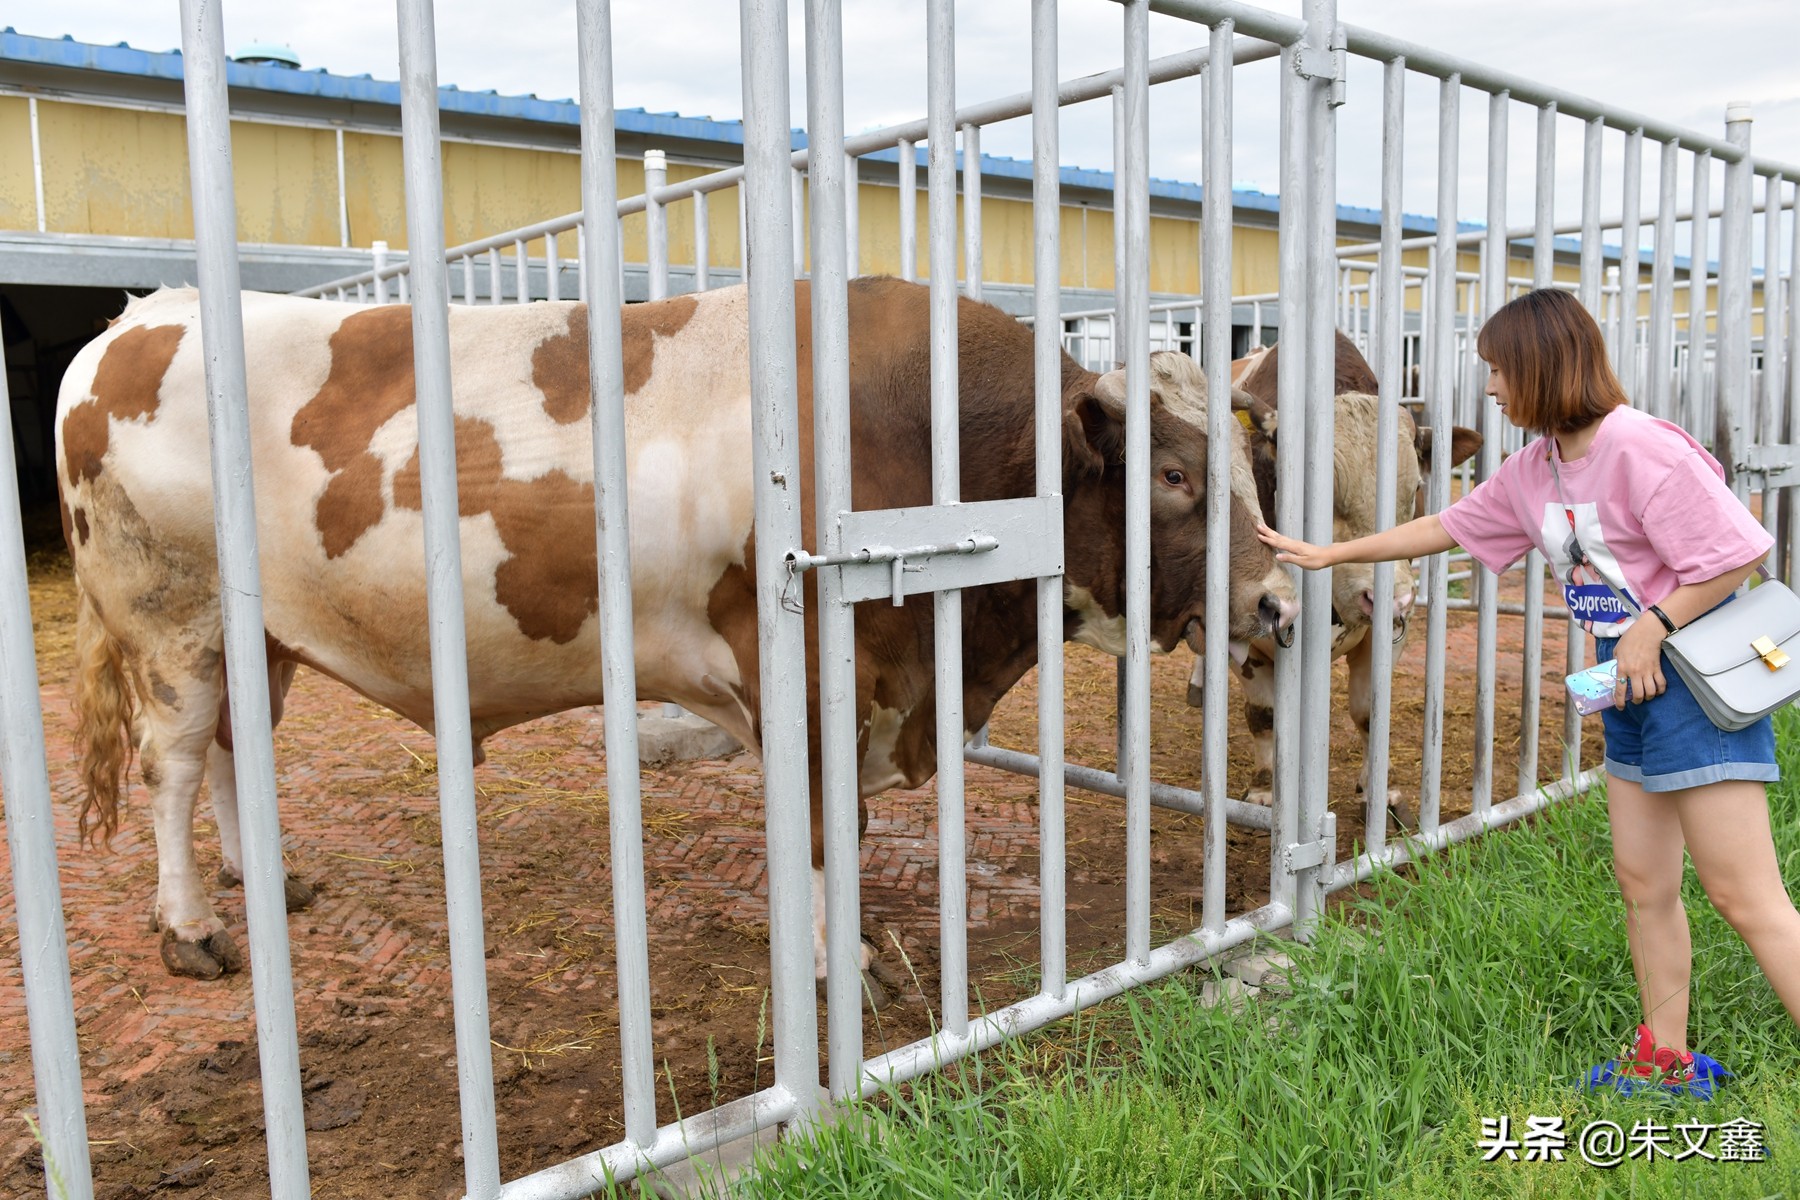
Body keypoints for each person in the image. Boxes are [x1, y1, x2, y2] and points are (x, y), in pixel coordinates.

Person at [1258, 288, 1800, 1095]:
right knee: (1643, 885)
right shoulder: (1537, 466)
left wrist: (1654, 623)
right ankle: (1666, 1061)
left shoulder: (1640, 446)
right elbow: (1449, 525)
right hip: (1625, 686)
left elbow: (1738, 550)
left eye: (1500, 370)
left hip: (1690, 682)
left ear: (1544, 365)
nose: (1491, 389)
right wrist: (1333, 555)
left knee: (1744, 895)